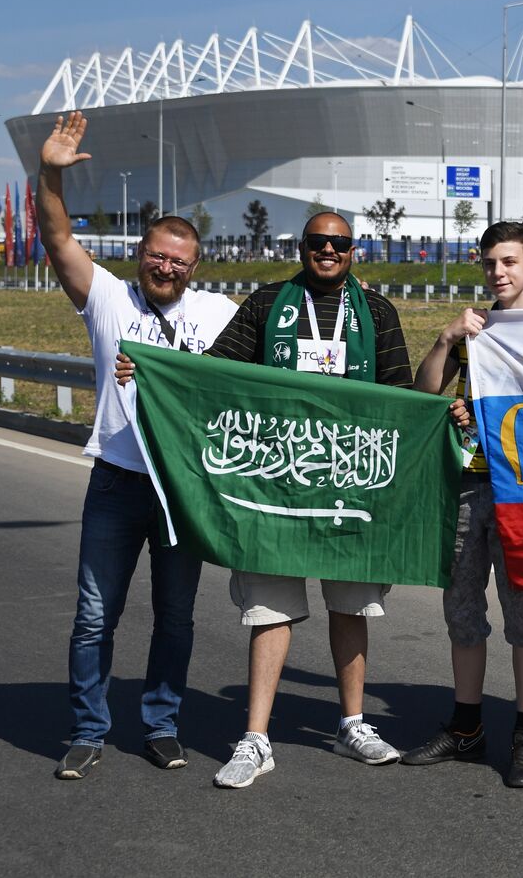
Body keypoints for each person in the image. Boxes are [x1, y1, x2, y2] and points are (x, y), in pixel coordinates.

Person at [182, 212, 427, 788]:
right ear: (302, 248)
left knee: (352, 606)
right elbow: (218, 373)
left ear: (353, 251)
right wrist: (154, 368)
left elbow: (398, 393)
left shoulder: (378, 312)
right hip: (276, 479)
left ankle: (353, 724)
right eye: (318, 243)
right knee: (269, 610)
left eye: (339, 244)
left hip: (350, 483)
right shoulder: (268, 304)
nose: (327, 251)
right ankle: (256, 739)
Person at [37, 111, 239, 780]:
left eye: (179, 260)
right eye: (157, 255)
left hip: (181, 491)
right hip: (119, 483)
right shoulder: (108, 300)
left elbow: (254, 378)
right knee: (95, 614)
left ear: (195, 266)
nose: (165, 267)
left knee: (176, 618)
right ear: (140, 254)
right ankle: (89, 729)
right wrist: (49, 175)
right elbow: (58, 236)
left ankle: (160, 724)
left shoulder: (218, 314)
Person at [402, 221, 523, 788]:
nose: (500, 273)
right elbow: (425, 393)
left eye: (511, 262)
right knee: (462, 610)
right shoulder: (474, 330)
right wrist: (444, 341)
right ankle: (466, 727)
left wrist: (491, 422)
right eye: (492, 263)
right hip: (469, 486)